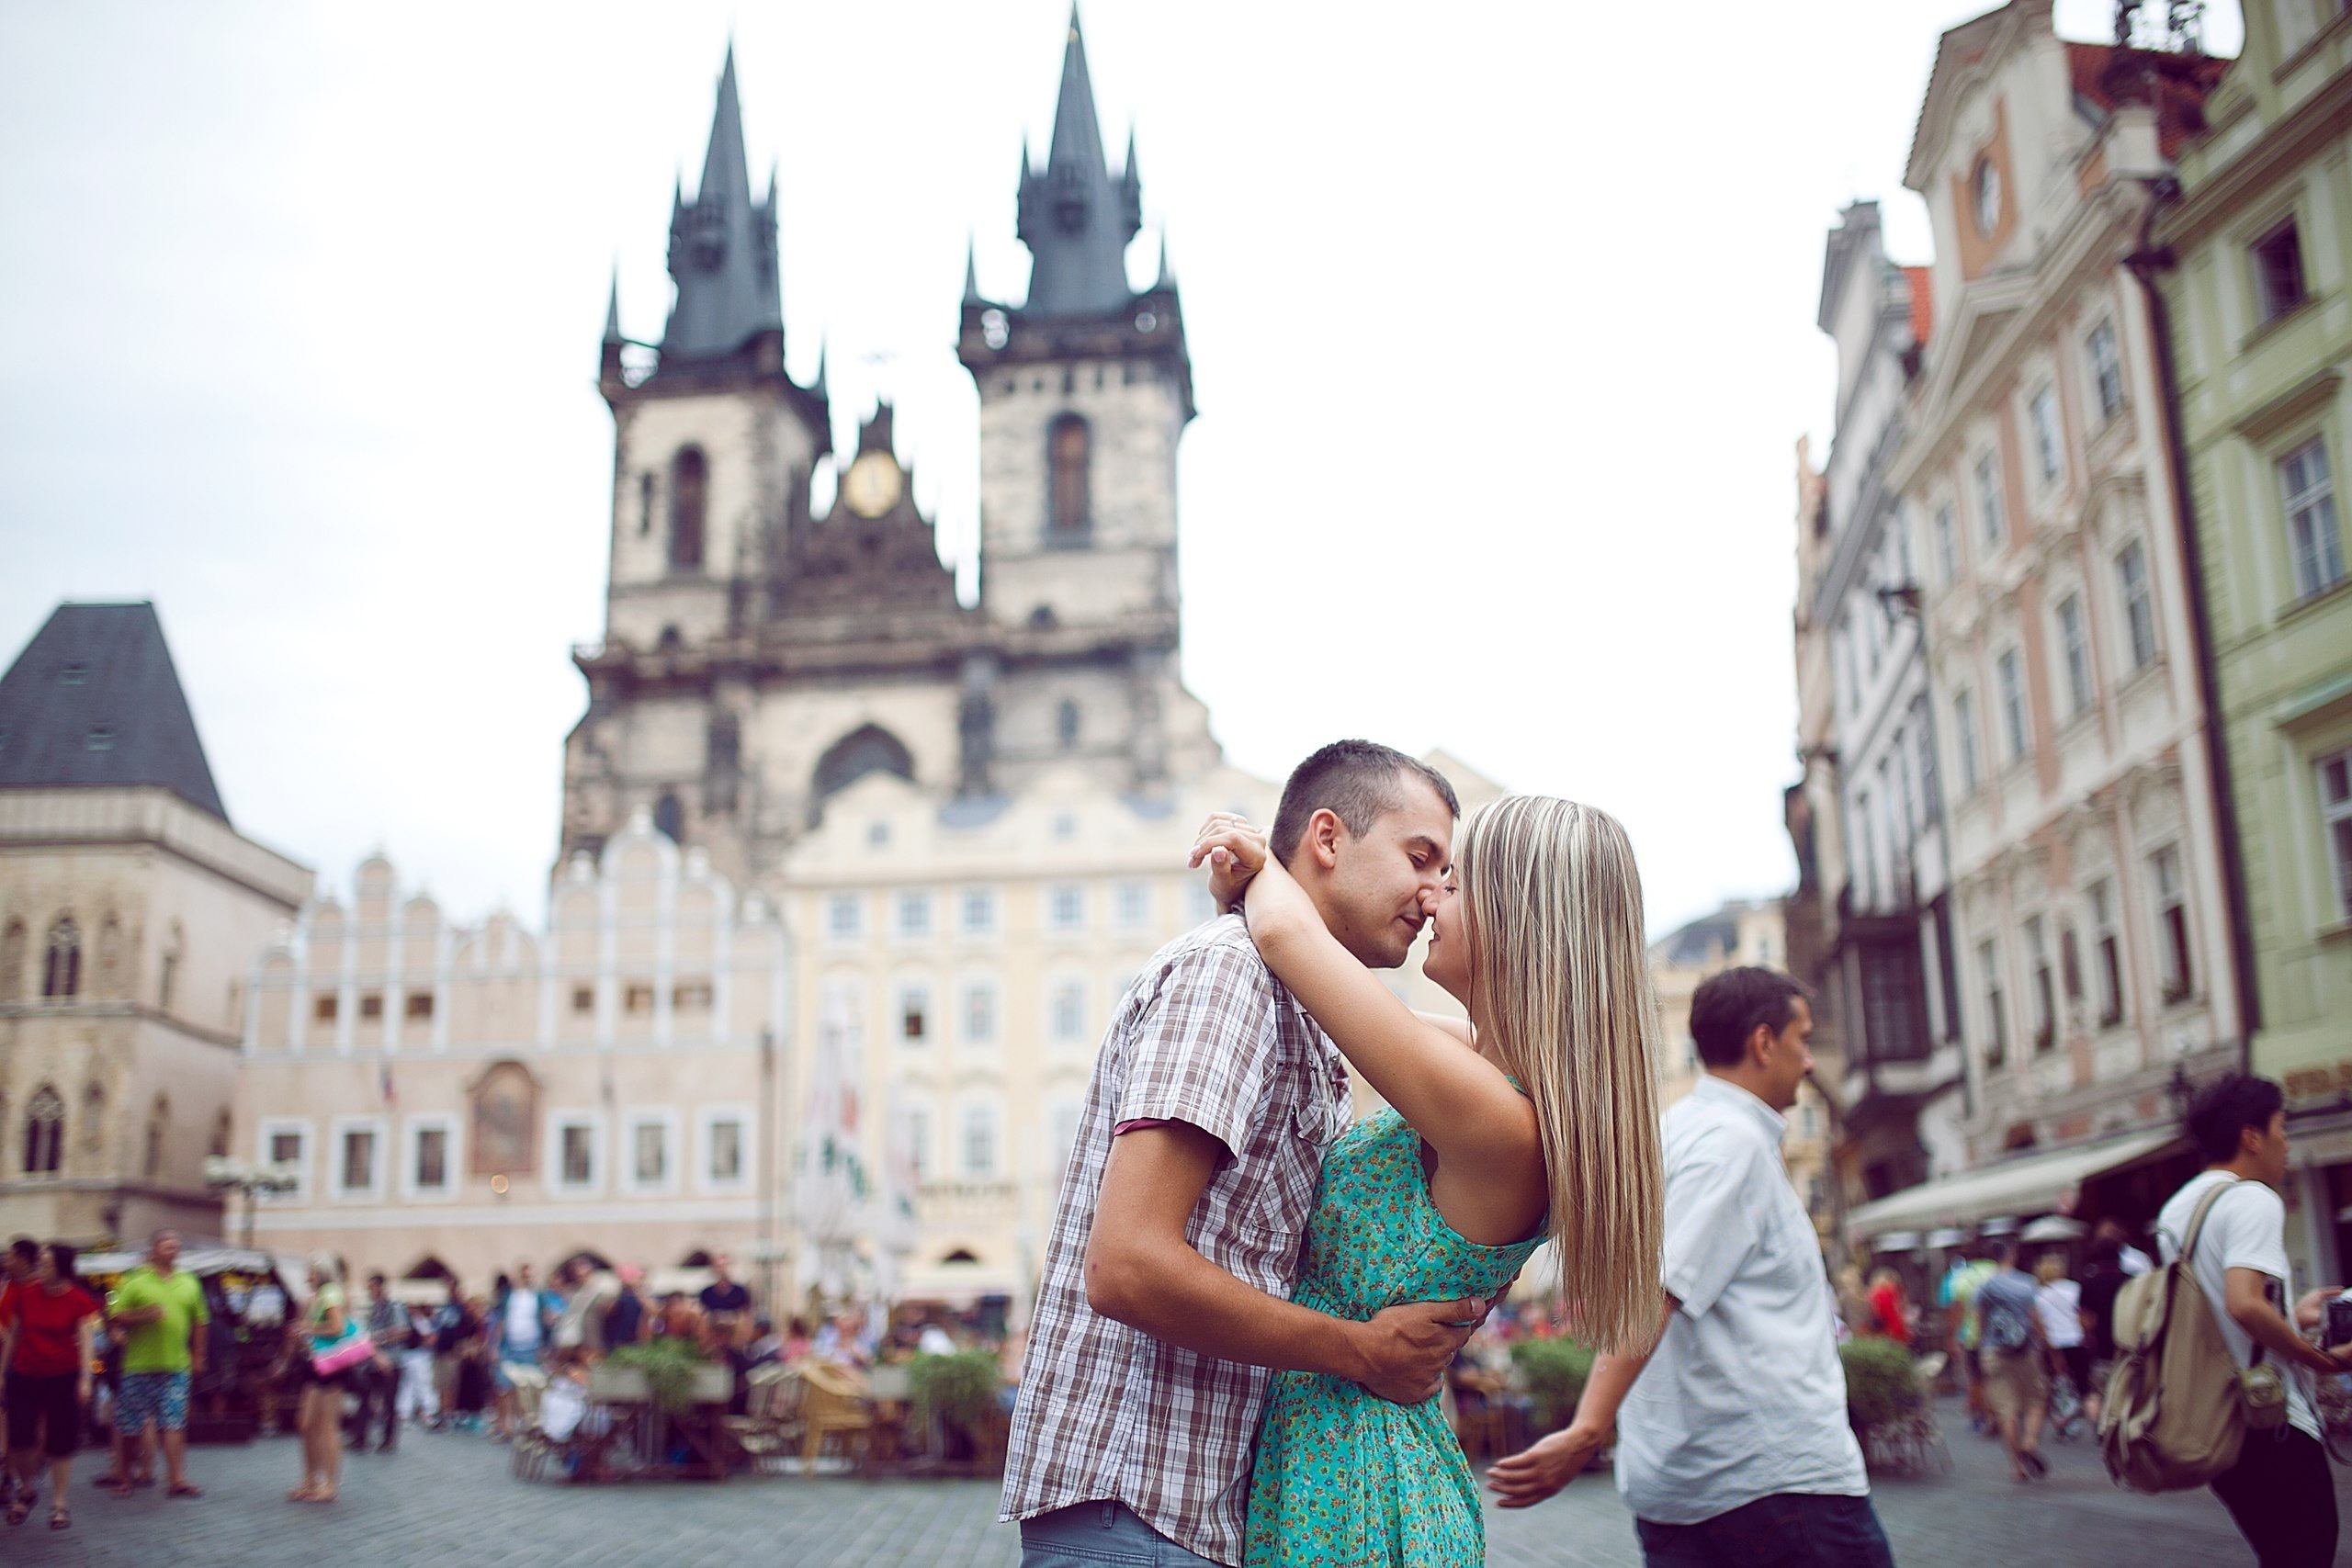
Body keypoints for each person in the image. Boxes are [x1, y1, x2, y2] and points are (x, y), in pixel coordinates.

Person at [1002, 742, 1497, 1568]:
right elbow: (1126, 1264)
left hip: (1190, 1508)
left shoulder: (1302, 1002)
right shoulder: (1228, 973)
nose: (1435, 893)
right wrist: (1360, 1348)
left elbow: (1498, 1050)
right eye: (1421, 858)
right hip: (1136, 1507)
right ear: (1328, 838)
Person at [1194, 790, 1667, 1568]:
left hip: (1351, 1487)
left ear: (1521, 917)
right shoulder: (1488, 1076)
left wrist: (1259, 861)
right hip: (1353, 1462)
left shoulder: (1495, 1116)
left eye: (1457, 879)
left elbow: (1286, 932)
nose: (1432, 895)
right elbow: (1324, 990)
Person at [1487, 966, 1895, 1567]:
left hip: (1699, 1484)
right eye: (1801, 1039)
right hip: (1771, 1486)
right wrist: (1588, 1427)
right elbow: (1657, 1291)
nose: (1809, 1061)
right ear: (1763, 1042)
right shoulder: (1729, 1142)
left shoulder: (1678, 1130)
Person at [2156, 1075, 2352, 1567]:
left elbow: (2213, 1314)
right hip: (2273, 1420)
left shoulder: (2178, 1209)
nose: (2287, 1142)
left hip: (2221, 1427)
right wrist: (2322, 1360)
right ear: (2251, 1136)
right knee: (2308, 1554)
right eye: (2282, 1127)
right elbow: (2243, 1304)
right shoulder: (2252, 1198)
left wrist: (2290, 1313)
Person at [0, 1243, 98, 1531]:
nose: (39, 1268)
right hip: (25, 1375)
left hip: (62, 1377)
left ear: (60, 1268)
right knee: (19, 1439)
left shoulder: (78, 1299)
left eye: (45, 1263)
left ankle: (59, 1504)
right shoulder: (26, 1295)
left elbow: (87, 1341)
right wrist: (3, 1373)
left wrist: (85, 1378)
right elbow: (14, 1336)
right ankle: (27, 1488)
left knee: (60, 1443)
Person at [103, 1228, 208, 1499]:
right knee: (130, 1426)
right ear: (153, 1250)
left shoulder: (189, 1281)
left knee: (173, 1423)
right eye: (167, 1244)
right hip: (139, 1365)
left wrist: (198, 1355)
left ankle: (177, 1479)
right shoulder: (134, 1281)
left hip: (176, 1366)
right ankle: (125, 1477)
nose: (173, 1247)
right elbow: (113, 1317)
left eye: (176, 1244)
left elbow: (200, 1321)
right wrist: (142, 1315)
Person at [1973, 1241, 2049, 1483]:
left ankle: (2018, 1467)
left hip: (1994, 1351)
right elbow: (2035, 1318)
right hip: (2025, 1351)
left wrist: (1982, 1347)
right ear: (2012, 1253)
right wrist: (2045, 1344)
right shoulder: (2026, 1282)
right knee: (2037, 1399)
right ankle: (2029, 1442)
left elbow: (1980, 1323)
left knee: (2007, 1410)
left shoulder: (1984, 1286)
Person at [288, 1252, 355, 1503]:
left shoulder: (331, 1293)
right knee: (306, 1423)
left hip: (331, 1365)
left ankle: (328, 1485)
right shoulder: (317, 1296)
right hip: (315, 1363)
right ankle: (310, 1480)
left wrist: (308, 1328)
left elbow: (337, 1328)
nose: (307, 1274)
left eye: (310, 1269)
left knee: (327, 1426)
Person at [1939, 1243, 1999, 1435]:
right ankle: (1998, 1414)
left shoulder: (1962, 1278)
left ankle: (1985, 1415)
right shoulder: (1998, 1272)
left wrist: (1952, 1337)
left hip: (1972, 1337)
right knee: (1996, 1378)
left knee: (1977, 1379)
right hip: (2000, 1337)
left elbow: (1955, 1309)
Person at [2032, 1253, 2089, 1428]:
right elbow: (2083, 1315)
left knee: (2056, 1384)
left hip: (2054, 1345)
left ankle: (2062, 1417)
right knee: (2083, 1386)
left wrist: (2047, 1345)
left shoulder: (2039, 1295)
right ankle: (2080, 1414)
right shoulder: (2074, 1288)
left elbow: (2039, 1325)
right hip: (2077, 1341)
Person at [349, 1270, 403, 1453]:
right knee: (365, 1399)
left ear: (380, 1286)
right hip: (372, 1362)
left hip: (391, 1361)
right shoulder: (374, 1308)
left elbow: (402, 1331)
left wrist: (379, 1339)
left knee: (389, 1402)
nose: (369, 1290)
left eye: (371, 1286)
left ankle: (388, 1439)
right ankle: (360, 1437)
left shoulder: (394, 1307)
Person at [394, 1299, 438, 1430]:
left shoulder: (418, 1320)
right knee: (410, 1385)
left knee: (418, 1384)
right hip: (412, 1356)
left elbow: (429, 1337)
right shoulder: (413, 1321)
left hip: (416, 1355)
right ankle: (409, 1413)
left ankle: (423, 1412)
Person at [697, 1255, 752, 1345]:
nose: (721, 1270)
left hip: (734, 1321)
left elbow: (745, 1311)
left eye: (724, 1266)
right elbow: (703, 1311)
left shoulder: (740, 1291)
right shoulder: (706, 1292)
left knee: (743, 1321)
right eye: (718, 1267)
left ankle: (738, 1350)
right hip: (713, 1320)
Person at [603, 1265, 650, 1353]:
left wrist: (637, 1291)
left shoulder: (643, 1297)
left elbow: (652, 1311)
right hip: (618, 1344)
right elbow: (608, 1311)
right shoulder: (621, 1297)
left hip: (636, 1343)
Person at [1866, 1267, 1911, 1347]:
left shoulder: (1872, 1294)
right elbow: (1890, 1315)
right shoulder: (1886, 1294)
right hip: (1892, 1331)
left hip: (1879, 1331)